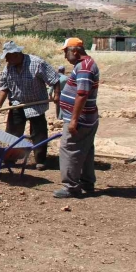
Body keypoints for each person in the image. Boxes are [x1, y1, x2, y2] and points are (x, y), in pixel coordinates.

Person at [0, 41, 60, 171]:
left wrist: (57, 94)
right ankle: (11, 157)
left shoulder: (37, 63)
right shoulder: (9, 68)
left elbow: (55, 79)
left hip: (36, 104)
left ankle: (40, 160)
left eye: (8, 56)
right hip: (16, 104)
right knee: (12, 133)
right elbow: (4, 87)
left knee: (38, 133)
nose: (6, 59)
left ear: (16, 54)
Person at [54, 38, 100, 198]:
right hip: (88, 118)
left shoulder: (85, 68)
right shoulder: (83, 65)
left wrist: (74, 120)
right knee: (86, 150)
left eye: (66, 52)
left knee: (69, 148)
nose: (65, 56)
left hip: (80, 120)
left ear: (75, 51)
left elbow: (82, 94)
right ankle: (87, 183)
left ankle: (71, 187)